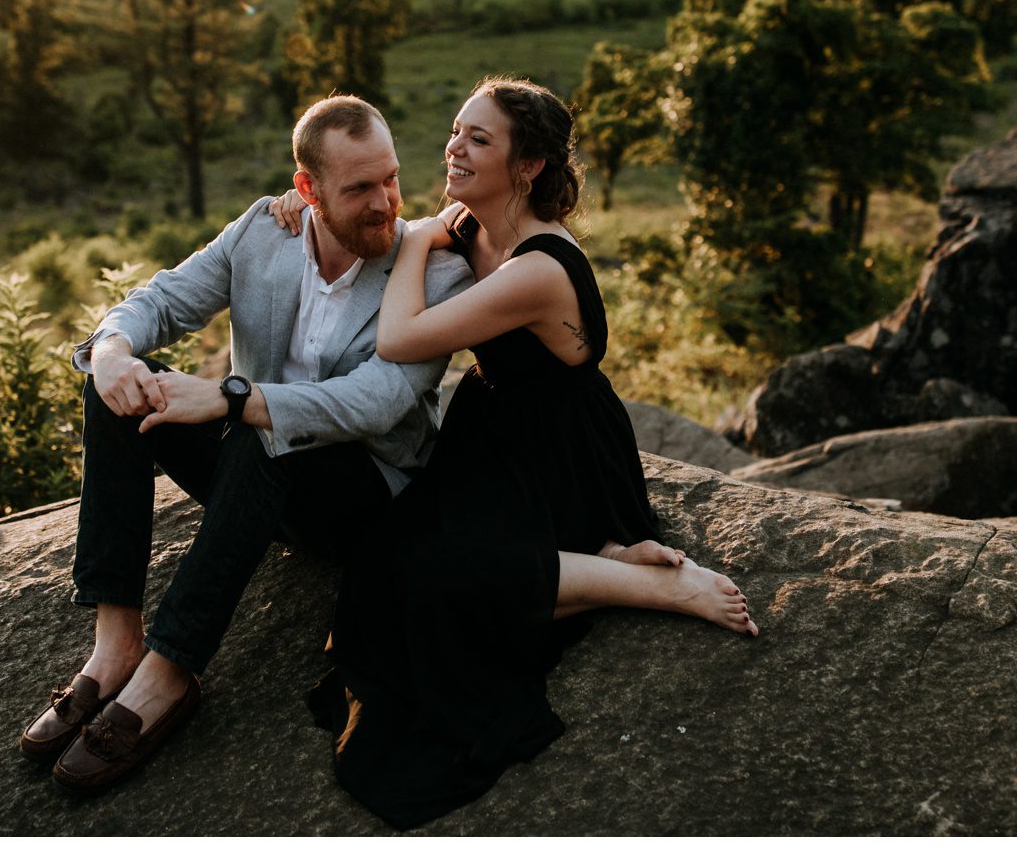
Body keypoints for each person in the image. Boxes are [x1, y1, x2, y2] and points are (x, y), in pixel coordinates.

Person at [272, 77, 756, 828]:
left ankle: (659, 586)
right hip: (496, 439)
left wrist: (418, 238)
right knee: (384, 565)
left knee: (444, 579)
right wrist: (298, 205)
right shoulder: (477, 226)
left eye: (479, 139)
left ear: (526, 166)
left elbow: (400, 338)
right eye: (457, 131)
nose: (454, 148)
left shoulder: (535, 267)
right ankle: (607, 560)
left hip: (563, 458)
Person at [19, 95, 473, 794]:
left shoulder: (435, 274)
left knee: (265, 436)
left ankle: (168, 673)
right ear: (307, 191)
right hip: (255, 478)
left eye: (391, 178)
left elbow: (378, 401)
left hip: (365, 501)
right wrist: (110, 349)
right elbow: (163, 299)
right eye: (359, 189)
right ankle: (116, 645)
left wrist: (234, 398)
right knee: (119, 393)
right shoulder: (265, 231)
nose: (385, 203)